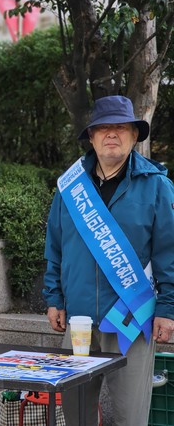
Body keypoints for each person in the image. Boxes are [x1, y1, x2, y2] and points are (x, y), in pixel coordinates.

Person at [43, 95, 174, 425]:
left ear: (133, 135)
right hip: (79, 321)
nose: (111, 134)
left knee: (129, 417)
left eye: (120, 127)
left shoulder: (157, 186)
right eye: (103, 128)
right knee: (75, 417)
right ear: (91, 136)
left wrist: (168, 309)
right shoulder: (70, 187)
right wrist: (54, 298)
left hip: (133, 319)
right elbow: (55, 247)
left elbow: (168, 253)